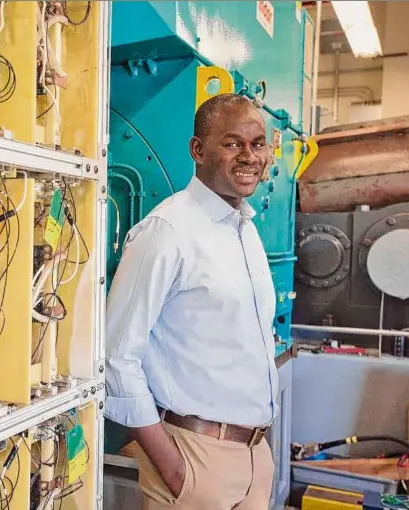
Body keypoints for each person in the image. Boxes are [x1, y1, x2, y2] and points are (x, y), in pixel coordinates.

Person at [105, 93, 278, 510]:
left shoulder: (245, 229)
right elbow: (114, 357)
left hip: (254, 458)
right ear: (198, 150)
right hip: (194, 461)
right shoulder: (167, 231)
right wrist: (174, 468)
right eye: (233, 143)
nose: (249, 157)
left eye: (257, 144)